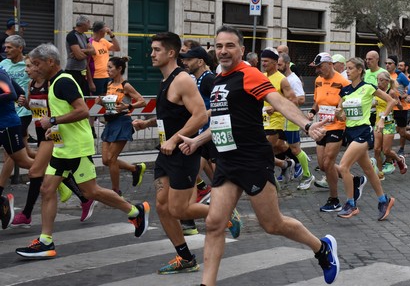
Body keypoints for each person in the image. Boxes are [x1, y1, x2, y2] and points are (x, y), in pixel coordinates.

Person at [178, 26, 339, 285]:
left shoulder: (249, 74)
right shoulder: (219, 80)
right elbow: (221, 122)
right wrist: (196, 141)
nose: (223, 51)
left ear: (241, 50)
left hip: (252, 159)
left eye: (230, 46)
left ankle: (321, 247)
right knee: (215, 223)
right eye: (219, 46)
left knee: (273, 224)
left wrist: (306, 125)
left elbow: (279, 101)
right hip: (228, 160)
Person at [15, 43, 150, 258]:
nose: (35, 68)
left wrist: (53, 120)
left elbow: (83, 111)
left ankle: (135, 211)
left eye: (38, 64)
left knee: (91, 192)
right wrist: (54, 129)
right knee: (47, 190)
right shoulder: (53, 82)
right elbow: (64, 112)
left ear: (51, 62)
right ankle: (45, 241)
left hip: (77, 147)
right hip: (62, 146)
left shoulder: (63, 82)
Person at [132, 32, 231, 274]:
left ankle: (224, 213)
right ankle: (185, 257)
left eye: (156, 50)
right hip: (166, 151)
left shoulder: (182, 79)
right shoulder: (166, 80)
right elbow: (173, 115)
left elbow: (199, 115)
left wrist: (175, 140)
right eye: (152, 50)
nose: (151, 54)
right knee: (162, 206)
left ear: (171, 53)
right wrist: (148, 123)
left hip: (184, 150)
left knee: (179, 209)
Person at [11, 56, 93, 227]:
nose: (27, 70)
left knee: (35, 172)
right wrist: (26, 104)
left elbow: (59, 108)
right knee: (59, 172)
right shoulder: (31, 85)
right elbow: (36, 110)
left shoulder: (52, 85)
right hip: (42, 132)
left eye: (31, 66)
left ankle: (26, 214)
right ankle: (85, 199)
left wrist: (54, 121)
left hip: (53, 133)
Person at [335, 57, 395, 220]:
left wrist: (382, 119)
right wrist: (338, 113)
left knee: (343, 167)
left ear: (360, 70)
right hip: (350, 133)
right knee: (368, 169)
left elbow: (391, 100)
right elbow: (340, 113)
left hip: (363, 133)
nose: (347, 71)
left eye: (350, 68)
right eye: (346, 68)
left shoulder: (368, 87)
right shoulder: (345, 91)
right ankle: (384, 200)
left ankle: (350, 204)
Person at [179, 45, 219, 236]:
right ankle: (191, 219)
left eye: (189, 59)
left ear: (201, 61)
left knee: (196, 173)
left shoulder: (208, 79)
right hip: (202, 135)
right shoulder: (197, 79)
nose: (185, 62)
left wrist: (203, 114)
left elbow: (221, 104)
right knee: (195, 173)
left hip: (211, 133)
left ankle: (193, 219)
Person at [307, 52, 352, 211]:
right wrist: (312, 112)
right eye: (316, 67)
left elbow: (348, 103)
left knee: (328, 163)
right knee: (322, 165)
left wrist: (341, 109)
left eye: (320, 67)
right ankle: (353, 180)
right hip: (322, 126)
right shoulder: (318, 80)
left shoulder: (343, 82)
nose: (318, 70)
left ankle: (334, 200)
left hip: (337, 126)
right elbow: (316, 101)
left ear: (330, 64)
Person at [98, 57, 147, 196]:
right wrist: (101, 102)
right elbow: (110, 105)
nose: (107, 70)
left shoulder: (126, 85)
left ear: (119, 69)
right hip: (110, 122)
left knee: (112, 158)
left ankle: (116, 191)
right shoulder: (108, 84)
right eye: (107, 67)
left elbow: (142, 101)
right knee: (105, 160)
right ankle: (134, 169)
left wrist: (129, 106)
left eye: (110, 67)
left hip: (122, 122)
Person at [0, 66, 35, 230]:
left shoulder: (0, 73)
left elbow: (12, 94)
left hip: (6, 125)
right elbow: (20, 90)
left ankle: (59, 176)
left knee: (24, 162)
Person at [0, 35, 34, 196]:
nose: (5, 50)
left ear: (20, 48)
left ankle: (1, 187)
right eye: (5, 47)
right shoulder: (3, 65)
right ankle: (51, 166)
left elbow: (12, 92)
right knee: (25, 153)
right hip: (9, 114)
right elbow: (15, 90)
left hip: (18, 115)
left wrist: (25, 100)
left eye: (9, 47)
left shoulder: (28, 63)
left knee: (15, 156)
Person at [278, 52, 314, 189]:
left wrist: (282, 102)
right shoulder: (280, 78)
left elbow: (301, 99)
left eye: (280, 64)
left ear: (287, 64)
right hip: (280, 119)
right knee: (278, 145)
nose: (278, 66)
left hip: (291, 119)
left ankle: (307, 174)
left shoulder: (293, 80)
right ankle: (287, 166)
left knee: (295, 149)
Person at [261, 48, 298, 181]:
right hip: (263, 120)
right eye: (262, 61)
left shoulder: (282, 80)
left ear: (275, 62)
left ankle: (268, 177)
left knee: (263, 149)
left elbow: (293, 100)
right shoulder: (261, 77)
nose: (263, 64)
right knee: (277, 148)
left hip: (276, 120)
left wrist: (275, 109)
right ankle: (287, 164)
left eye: (266, 61)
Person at [373, 71, 407, 177]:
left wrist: (398, 103)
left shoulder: (391, 92)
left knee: (386, 151)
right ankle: (379, 172)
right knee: (377, 149)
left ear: (387, 81)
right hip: (378, 123)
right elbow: (373, 105)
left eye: (381, 80)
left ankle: (399, 160)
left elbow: (400, 106)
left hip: (388, 123)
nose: (379, 83)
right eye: (378, 80)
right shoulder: (376, 91)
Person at [65, 16, 96, 96]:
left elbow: (93, 51)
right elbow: (79, 56)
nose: (90, 26)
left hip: (83, 72)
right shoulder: (72, 36)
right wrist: (86, 54)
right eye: (88, 23)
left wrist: (83, 51)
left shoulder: (84, 36)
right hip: (73, 71)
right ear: (83, 24)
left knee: (85, 96)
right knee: (74, 96)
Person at [90, 21, 120, 96]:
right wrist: (90, 82)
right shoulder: (90, 43)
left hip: (108, 76)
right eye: (105, 28)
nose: (107, 30)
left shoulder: (103, 41)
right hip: (96, 77)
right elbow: (86, 64)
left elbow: (117, 48)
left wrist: (111, 35)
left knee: (108, 99)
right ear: (101, 31)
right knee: (96, 101)